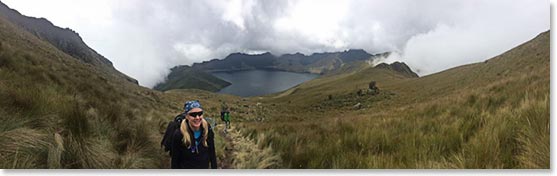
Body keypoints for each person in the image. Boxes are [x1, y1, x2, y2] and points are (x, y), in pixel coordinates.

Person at [171, 100, 217, 169]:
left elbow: (212, 154)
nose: (197, 117)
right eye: (193, 114)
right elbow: (175, 161)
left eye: (200, 113)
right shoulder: (179, 134)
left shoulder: (207, 130)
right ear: (186, 116)